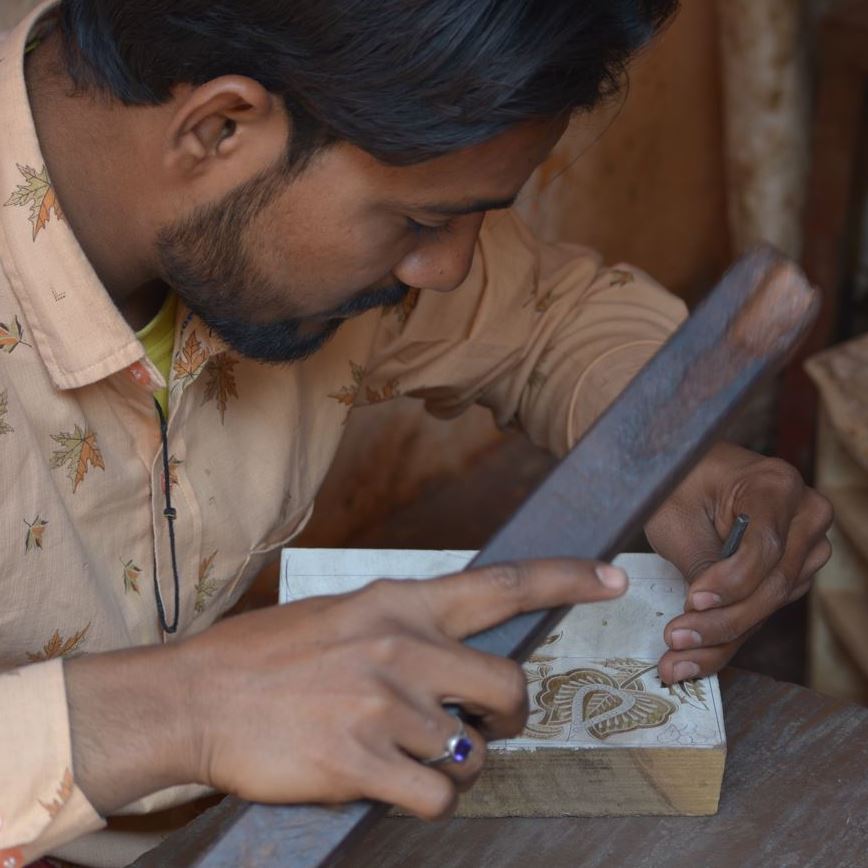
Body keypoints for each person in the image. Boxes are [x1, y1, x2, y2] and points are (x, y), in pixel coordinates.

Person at [0, 1, 832, 865]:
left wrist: (676, 451)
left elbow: (554, 321)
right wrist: (184, 709)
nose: (447, 267)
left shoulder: (291, 189)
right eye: (424, 223)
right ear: (218, 128)